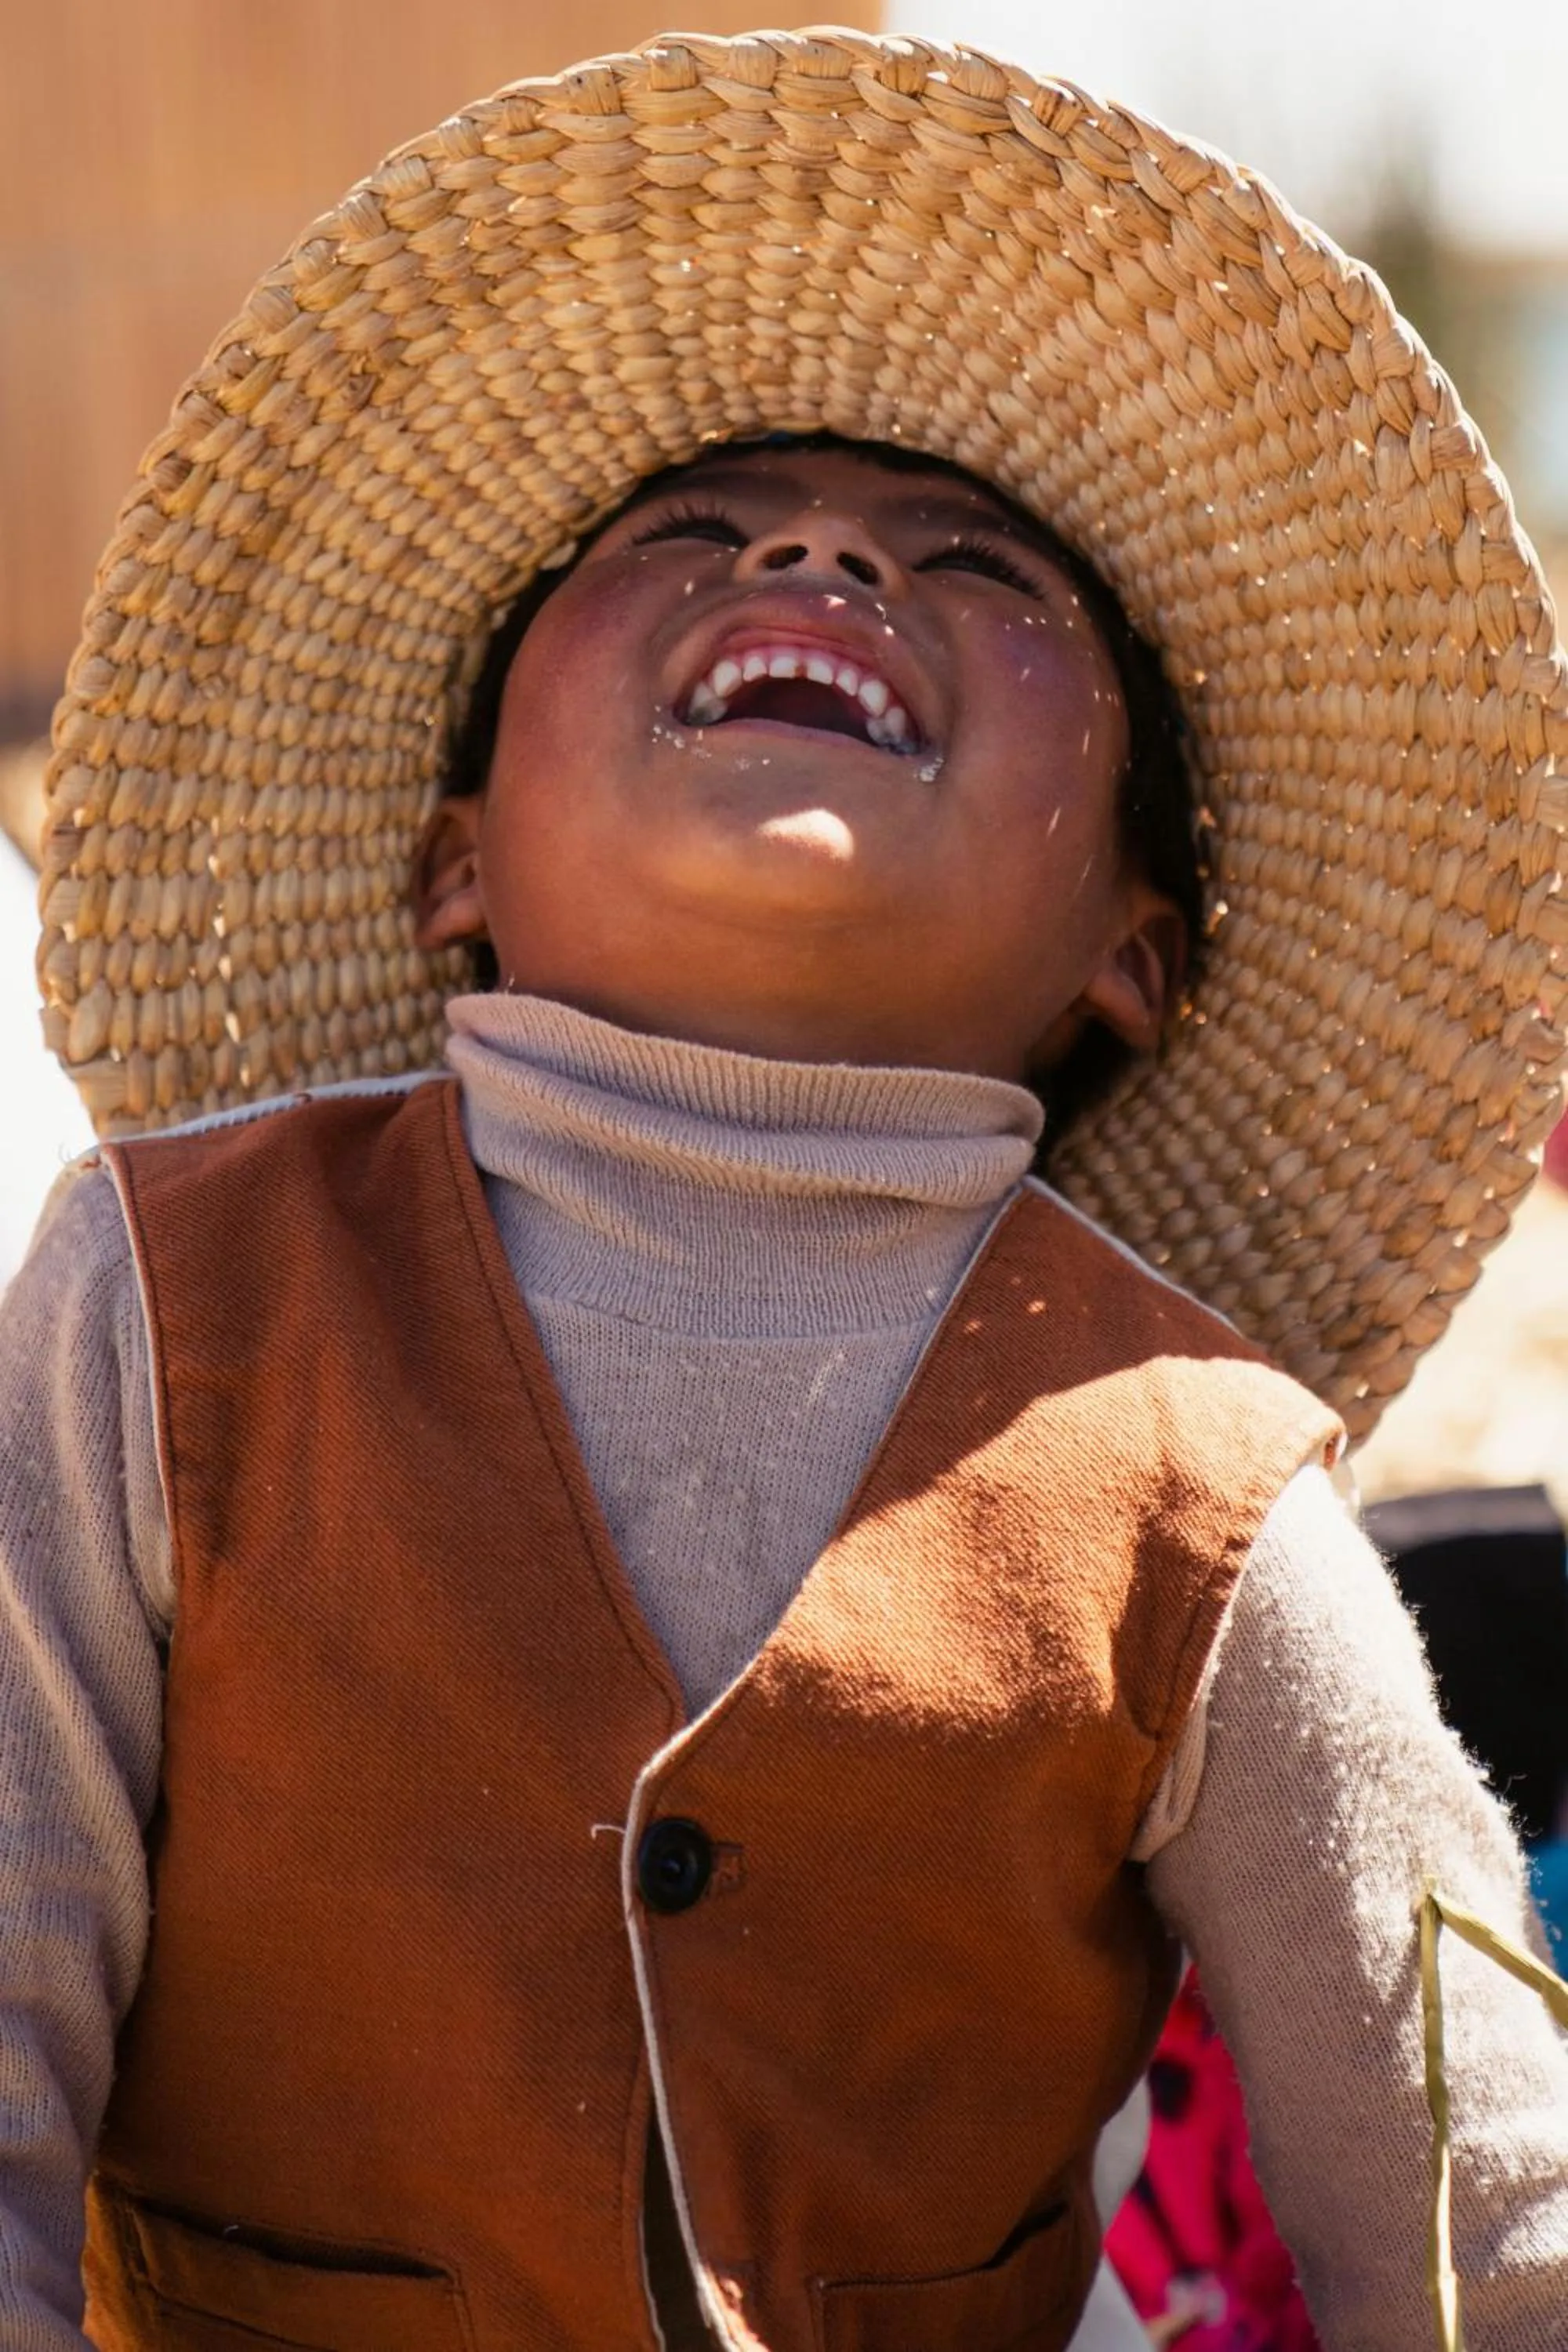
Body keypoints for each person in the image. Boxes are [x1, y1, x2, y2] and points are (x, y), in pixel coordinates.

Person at [5, 29, 1568, 2352]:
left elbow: (1476, 2208)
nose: (822, 556)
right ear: (458, 864)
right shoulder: (165, 1305)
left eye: (970, 563)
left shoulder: (1199, 1479)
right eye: (689, 537)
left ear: (1133, 955)